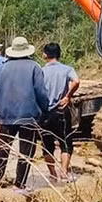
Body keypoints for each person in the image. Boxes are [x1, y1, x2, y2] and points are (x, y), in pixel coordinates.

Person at [0, 36, 49, 195]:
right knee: (26, 150)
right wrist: (45, 111)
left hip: (7, 115)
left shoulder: (3, 68)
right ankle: (19, 184)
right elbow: (41, 93)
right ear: (27, 51)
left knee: (2, 147)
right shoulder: (35, 67)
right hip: (28, 115)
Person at [39, 42, 80, 183]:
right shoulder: (67, 69)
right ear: (59, 54)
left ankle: (52, 174)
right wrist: (68, 96)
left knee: (47, 145)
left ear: (45, 54)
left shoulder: (41, 71)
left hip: (45, 113)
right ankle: (64, 172)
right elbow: (76, 81)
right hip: (61, 110)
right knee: (65, 143)